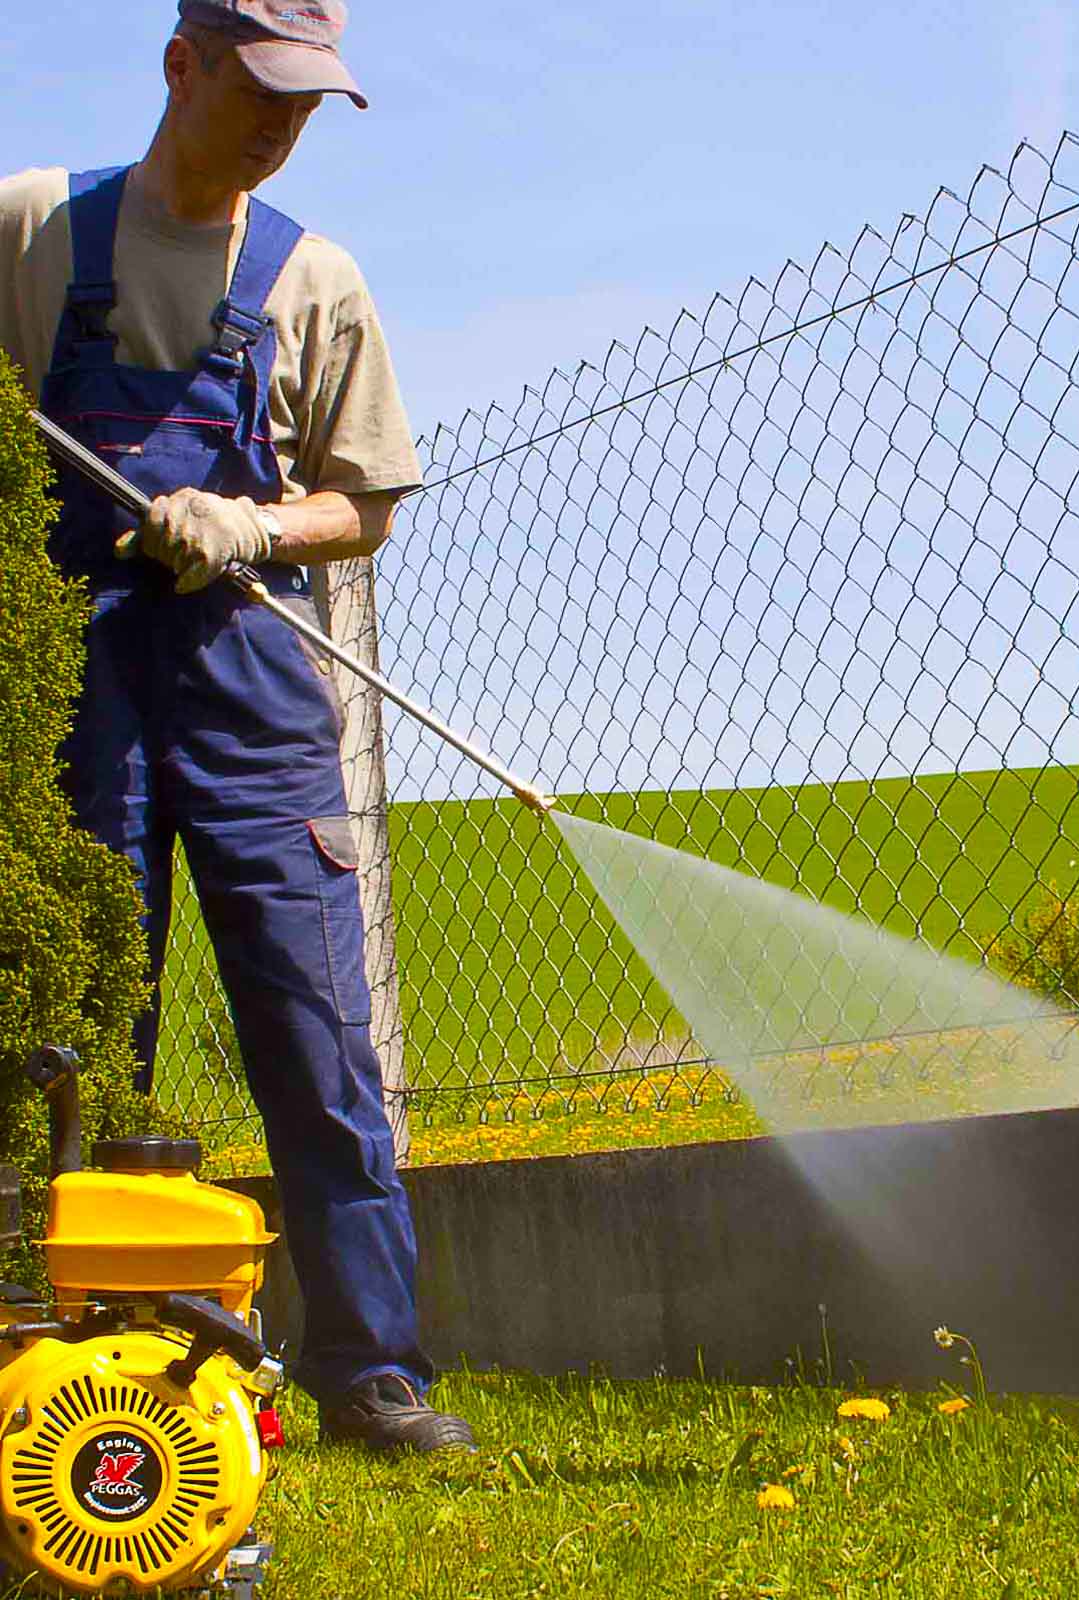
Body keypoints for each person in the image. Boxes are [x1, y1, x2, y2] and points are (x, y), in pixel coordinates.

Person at [0, 1, 472, 1454]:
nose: (282, 123)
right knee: (80, 1032)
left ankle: (372, 1373)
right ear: (181, 65)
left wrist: (253, 523)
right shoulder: (33, 231)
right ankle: (60, 1352)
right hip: (80, 679)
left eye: (307, 100)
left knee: (319, 1042)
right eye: (260, 87)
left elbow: (364, 505)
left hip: (255, 686)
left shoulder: (316, 278)